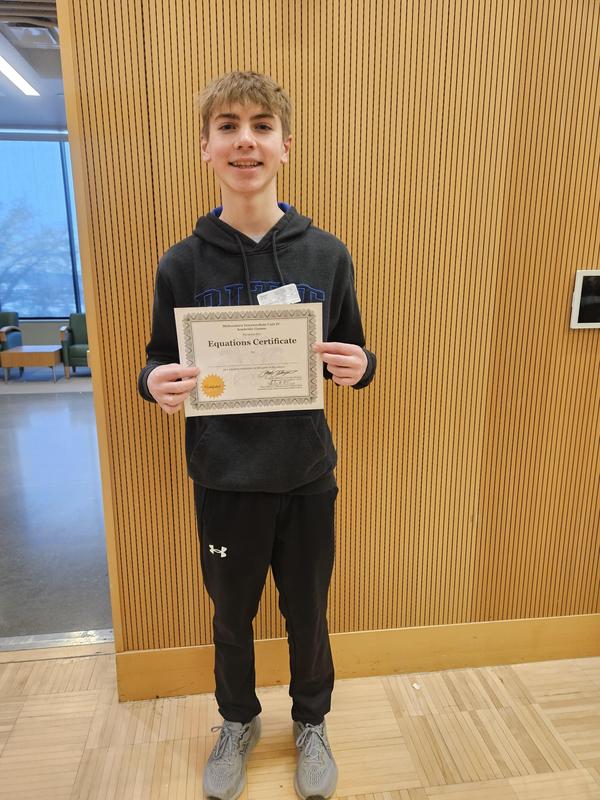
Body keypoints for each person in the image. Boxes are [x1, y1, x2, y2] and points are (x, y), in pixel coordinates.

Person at [137, 70, 376, 800]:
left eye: (261, 126)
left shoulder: (327, 255)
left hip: (307, 476)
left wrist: (361, 367)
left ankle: (311, 722)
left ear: (285, 145)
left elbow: (355, 354)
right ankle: (237, 721)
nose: (246, 139)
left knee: (308, 610)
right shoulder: (181, 263)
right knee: (231, 616)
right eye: (229, 127)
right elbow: (155, 359)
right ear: (206, 148)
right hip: (223, 479)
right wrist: (154, 383)